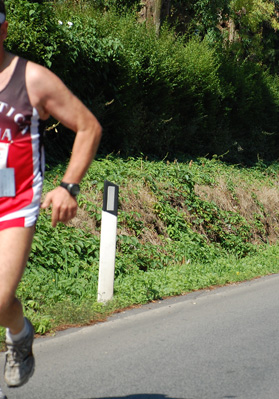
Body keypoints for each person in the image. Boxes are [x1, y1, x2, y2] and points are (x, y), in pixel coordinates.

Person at [0, 1, 102, 390]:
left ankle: (19, 334)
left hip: (14, 201)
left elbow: (88, 126)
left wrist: (68, 186)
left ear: (4, 29)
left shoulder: (33, 79)